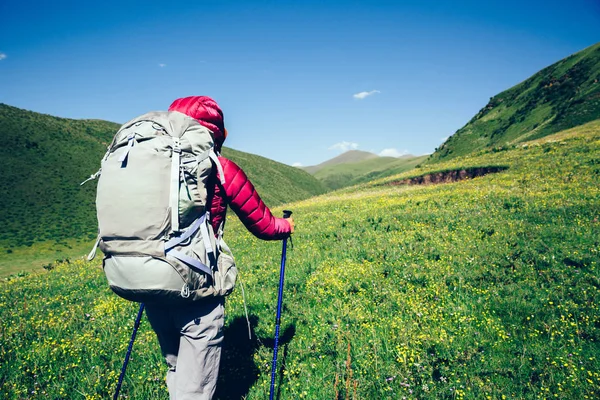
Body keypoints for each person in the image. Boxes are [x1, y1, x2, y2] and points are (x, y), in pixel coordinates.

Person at [144, 96, 294, 399]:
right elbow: (263, 225)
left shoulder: (149, 163)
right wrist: (286, 226)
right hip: (198, 290)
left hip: (151, 283)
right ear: (216, 132)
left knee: (175, 368)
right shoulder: (220, 167)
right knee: (195, 389)